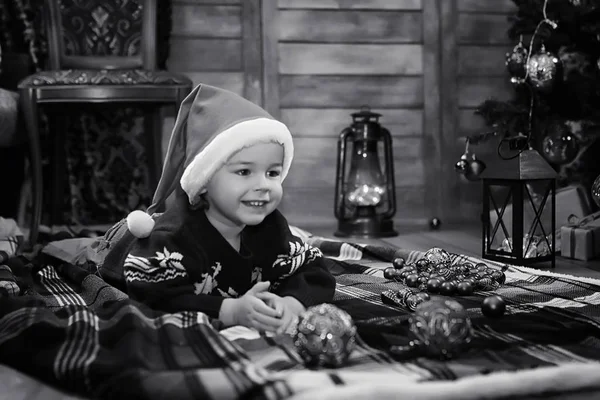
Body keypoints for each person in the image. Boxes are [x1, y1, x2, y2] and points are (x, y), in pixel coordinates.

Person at [99, 84, 336, 334]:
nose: (264, 185)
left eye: (272, 173)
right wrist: (229, 311)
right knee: (94, 248)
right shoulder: (173, 238)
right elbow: (155, 297)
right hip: (123, 251)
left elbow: (313, 270)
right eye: (244, 172)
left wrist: (291, 302)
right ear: (204, 181)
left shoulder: (270, 226)